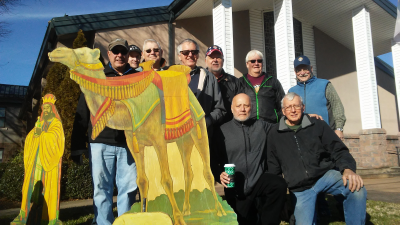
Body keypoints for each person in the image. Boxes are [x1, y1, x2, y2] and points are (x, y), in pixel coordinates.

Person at [267, 92, 367, 224]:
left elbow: (338, 149)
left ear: (303, 107)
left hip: (324, 176)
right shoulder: (274, 133)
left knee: (356, 188)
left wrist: (348, 168)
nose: (293, 110)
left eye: (296, 106)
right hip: (300, 188)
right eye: (288, 107)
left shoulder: (317, 124)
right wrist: (279, 199)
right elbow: (273, 168)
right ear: (283, 111)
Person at [71, 38, 138, 225]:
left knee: (130, 189)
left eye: (123, 52)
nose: (119, 55)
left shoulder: (137, 77)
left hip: (130, 143)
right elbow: (82, 111)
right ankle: (103, 222)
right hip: (100, 141)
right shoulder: (96, 77)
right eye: (115, 51)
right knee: (101, 189)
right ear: (108, 54)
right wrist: (76, 146)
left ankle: (125, 222)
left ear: (127, 55)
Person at [212, 93, 287, 225]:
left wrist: (307, 118)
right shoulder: (221, 131)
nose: (242, 109)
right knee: (244, 221)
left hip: (258, 181)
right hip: (235, 187)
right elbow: (212, 160)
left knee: (278, 184)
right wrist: (219, 174)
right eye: (238, 106)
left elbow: (284, 127)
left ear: (251, 108)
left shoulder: (262, 126)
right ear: (232, 108)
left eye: (246, 105)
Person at [12, 94, 64, 225]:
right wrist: (36, 133)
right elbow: (29, 140)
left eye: (48, 108)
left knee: (48, 191)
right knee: (30, 189)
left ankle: (49, 218)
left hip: (48, 165)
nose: (45, 111)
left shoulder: (56, 124)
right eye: (43, 108)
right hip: (36, 163)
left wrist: (42, 134)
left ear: (52, 110)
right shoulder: (38, 124)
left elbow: (56, 140)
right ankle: (25, 215)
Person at [288, 55, 346, 140]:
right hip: (302, 136)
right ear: (295, 72)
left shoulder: (325, 85)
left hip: (325, 134)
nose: (302, 72)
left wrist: (339, 129)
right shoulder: (291, 91)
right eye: (299, 70)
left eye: (305, 69)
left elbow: (337, 107)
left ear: (311, 68)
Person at [177, 38, 226, 136]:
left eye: (194, 52)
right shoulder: (171, 77)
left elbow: (220, 109)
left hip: (202, 135)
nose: (190, 55)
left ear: (198, 55)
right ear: (179, 56)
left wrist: (207, 121)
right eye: (186, 52)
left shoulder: (209, 78)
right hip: (178, 136)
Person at [239, 50, 285, 124]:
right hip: (248, 125)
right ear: (247, 64)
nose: (256, 63)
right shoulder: (240, 82)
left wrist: (278, 122)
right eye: (253, 61)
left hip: (270, 125)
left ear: (262, 63)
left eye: (259, 61)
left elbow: (282, 104)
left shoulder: (273, 81)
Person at [205, 45, 240, 124]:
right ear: (205, 61)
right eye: (212, 57)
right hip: (206, 129)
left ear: (223, 61)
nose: (215, 60)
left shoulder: (234, 82)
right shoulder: (200, 80)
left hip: (228, 129)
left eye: (218, 57)